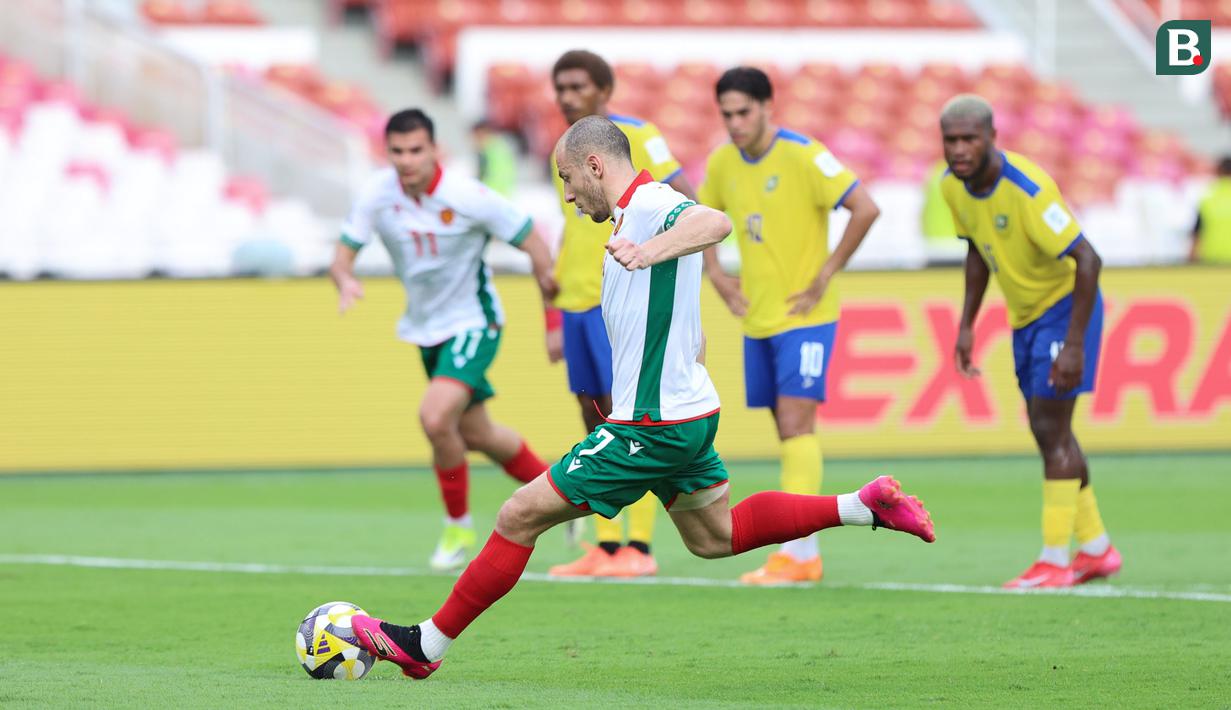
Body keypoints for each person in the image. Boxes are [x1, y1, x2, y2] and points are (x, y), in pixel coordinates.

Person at [347, 116, 935, 680]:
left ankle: (425, 644)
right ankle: (863, 505)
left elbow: (714, 221)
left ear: (595, 166)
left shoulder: (651, 207)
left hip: (649, 425)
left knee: (517, 515)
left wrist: (650, 251)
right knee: (715, 538)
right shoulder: (630, 216)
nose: (569, 197)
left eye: (568, 180)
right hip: (685, 413)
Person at [330, 109, 557, 571]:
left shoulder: (467, 196)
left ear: (435, 150)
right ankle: (561, 495)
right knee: (478, 434)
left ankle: (457, 526)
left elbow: (534, 241)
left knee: (435, 419)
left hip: (475, 322)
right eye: (398, 151)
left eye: (416, 150)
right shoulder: (378, 194)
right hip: (426, 330)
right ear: (387, 153)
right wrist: (344, 279)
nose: (407, 160)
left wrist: (553, 320)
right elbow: (343, 253)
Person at [697, 67, 881, 584]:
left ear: (767, 106)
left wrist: (827, 272)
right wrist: (715, 271)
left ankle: (799, 554)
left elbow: (865, 207)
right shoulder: (722, 162)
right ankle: (804, 554)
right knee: (786, 430)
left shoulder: (804, 154)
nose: (734, 123)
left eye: (743, 112)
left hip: (806, 316)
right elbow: (702, 217)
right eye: (726, 114)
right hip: (758, 318)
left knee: (798, 425)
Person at [939, 94, 1120, 589]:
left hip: (1065, 310)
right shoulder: (952, 188)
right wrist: (967, 322)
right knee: (1049, 429)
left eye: (969, 139)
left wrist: (1077, 344)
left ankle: (1056, 559)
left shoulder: (1027, 187)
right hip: (1026, 318)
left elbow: (1089, 260)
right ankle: (1097, 549)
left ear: (992, 138)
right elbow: (976, 250)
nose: (959, 149)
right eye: (950, 140)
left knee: (1049, 426)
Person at [545, 49, 698, 578]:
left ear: (603, 91)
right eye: (559, 88)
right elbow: (568, 232)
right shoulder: (564, 152)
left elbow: (682, 202)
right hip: (580, 301)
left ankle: (640, 544)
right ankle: (607, 545)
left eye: (577, 86)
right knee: (596, 419)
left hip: (628, 293)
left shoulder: (634, 137)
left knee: (632, 416)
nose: (566, 96)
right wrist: (554, 312)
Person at [1190, 156, 1231, 265]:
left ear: (1217, 172)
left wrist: (1191, 262)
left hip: (1211, 261)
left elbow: (1197, 234)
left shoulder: (1207, 200)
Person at [471, 119, 518, 198]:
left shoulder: (489, 151)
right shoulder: (500, 146)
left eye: (476, 137)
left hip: (492, 195)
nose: (474, 142)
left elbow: (493, 176)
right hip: (503, 196)